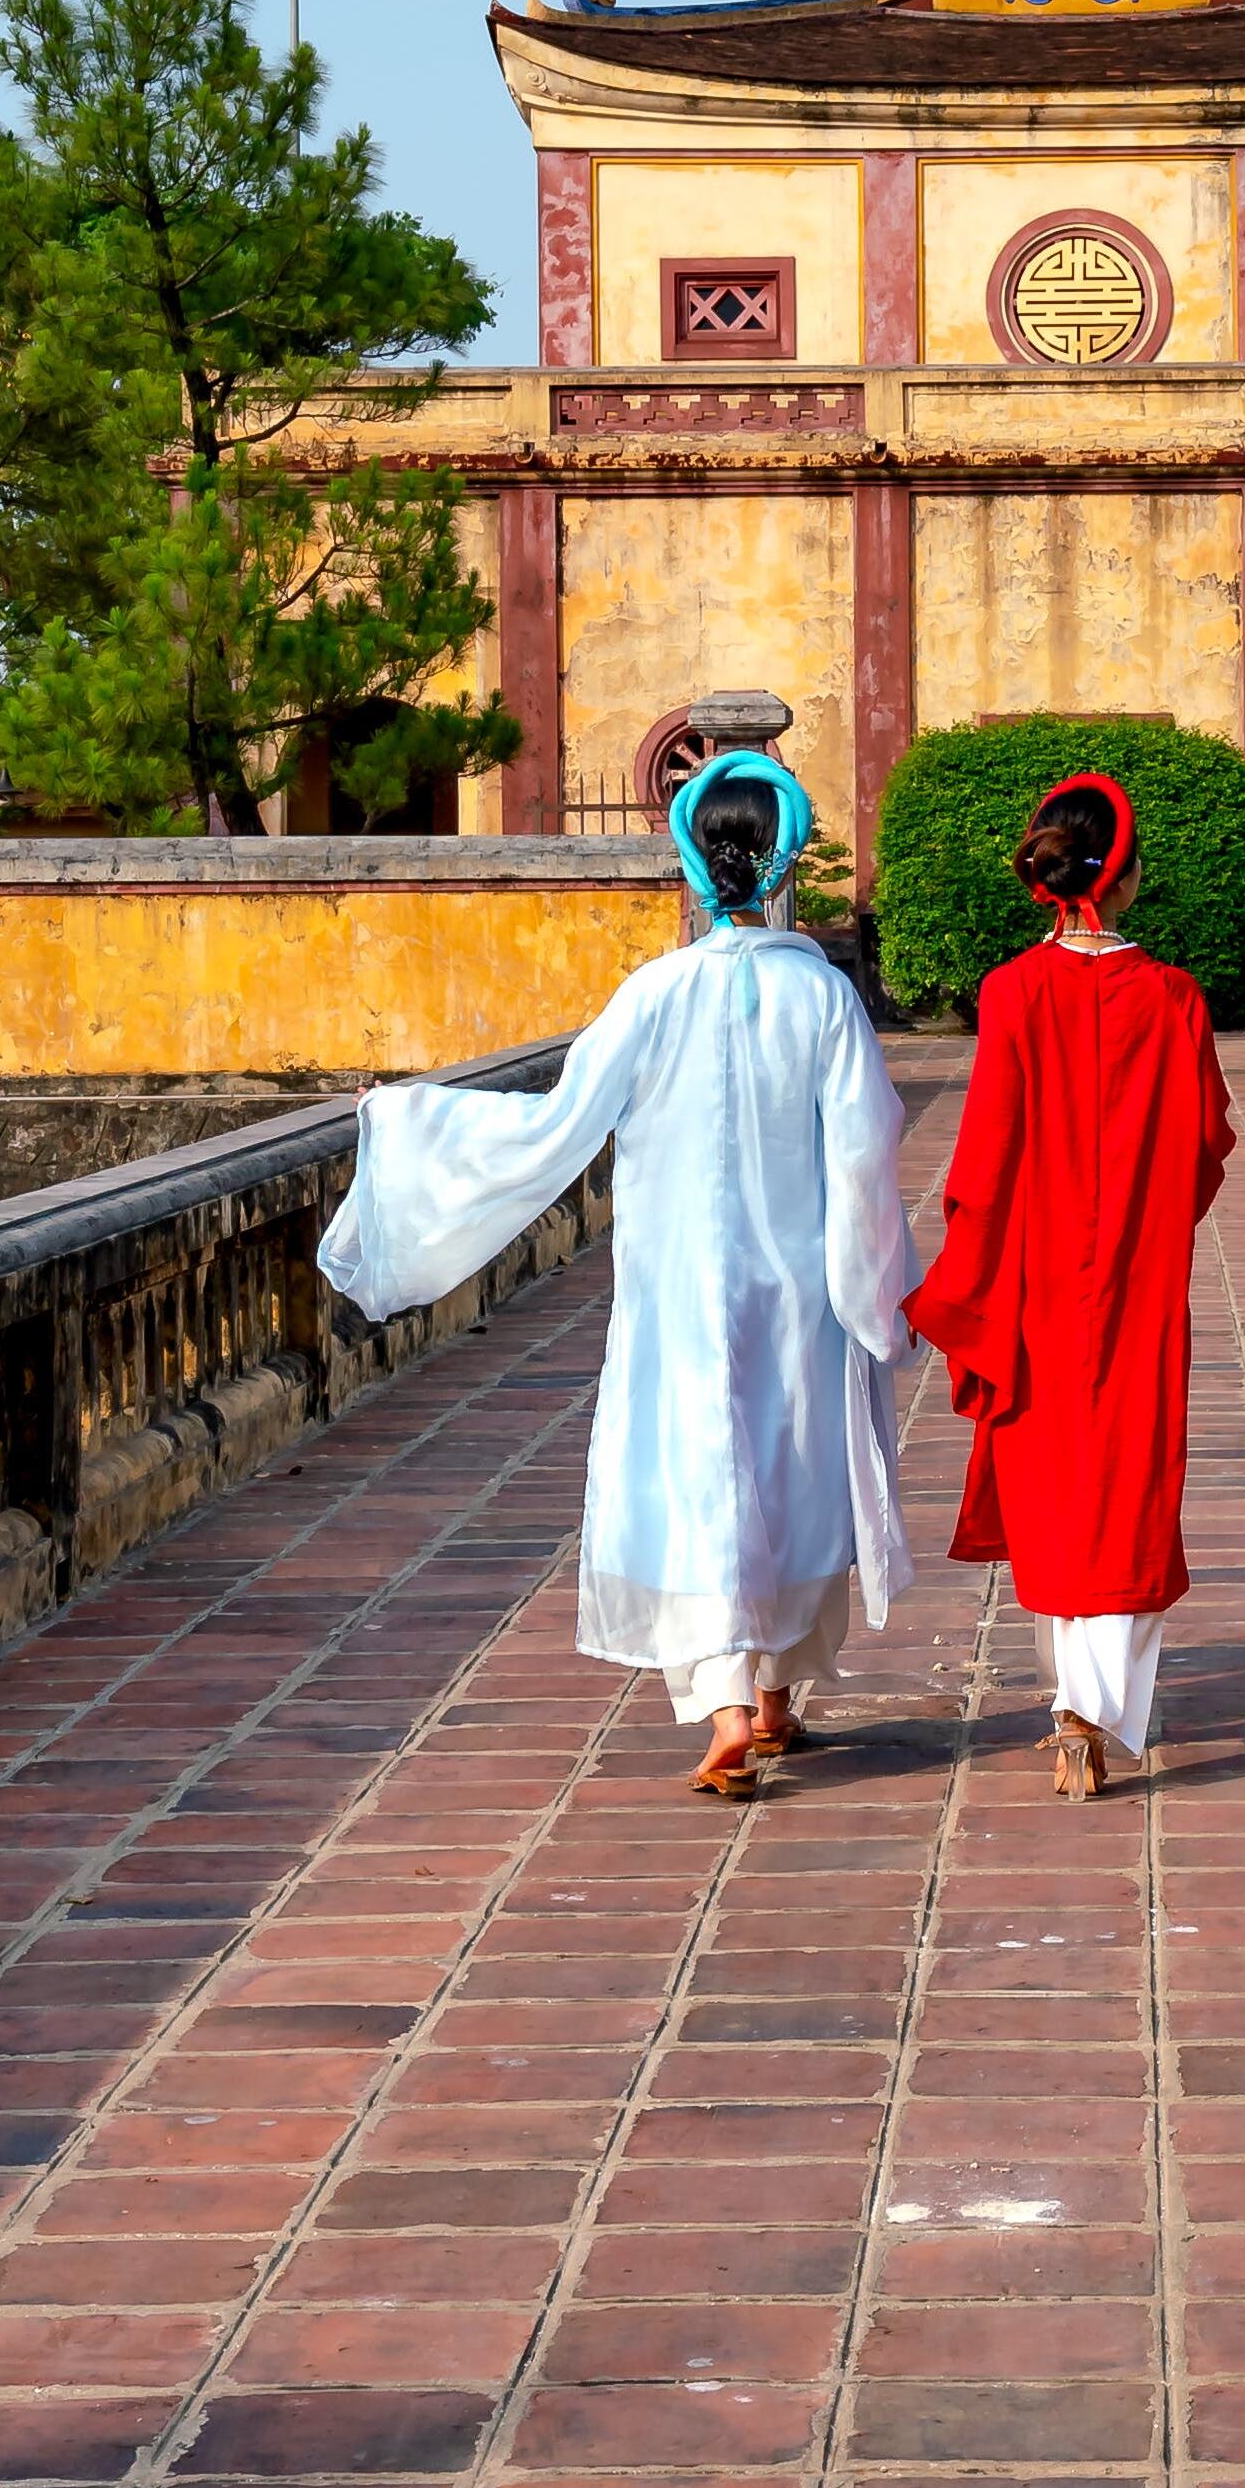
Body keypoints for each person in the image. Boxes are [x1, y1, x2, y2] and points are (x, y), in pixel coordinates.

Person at [317, 747, 914, 1801]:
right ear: (785, 860)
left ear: (691, 860)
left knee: (703, 1474)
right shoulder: (820, 997)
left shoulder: (651, 994)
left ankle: (731, 1702)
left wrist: (404, 1116)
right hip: (797, 1289)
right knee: (792, 1464)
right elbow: (864, 1149)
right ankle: (776, 1698)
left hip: (680, 1285)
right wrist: (876, 1291)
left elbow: (555, 1125)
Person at [904, 772, 1232, 1798]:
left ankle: (1070, 1705)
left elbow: (984, 1158)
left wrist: (971, 1271)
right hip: (1135, 1275)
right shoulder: (1173, 997)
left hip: (1038, 1275)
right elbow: (1202, 1147)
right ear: (1125, 876)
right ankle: (1089, 1708)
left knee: (1053, 1472)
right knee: (1130, 1472)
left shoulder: (1008, 991)